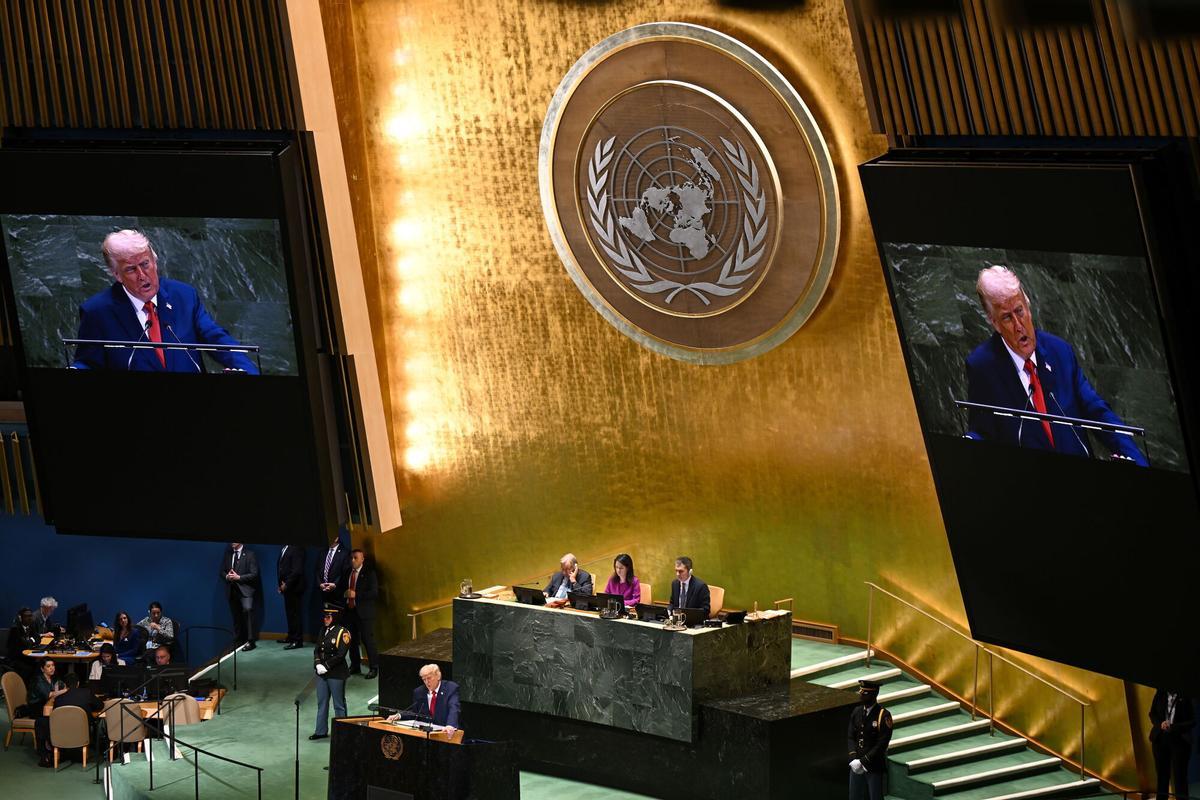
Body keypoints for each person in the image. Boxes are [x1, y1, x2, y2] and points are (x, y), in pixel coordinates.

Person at [964, 266, 1147, 465]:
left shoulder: (1060, 352)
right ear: (994, 323)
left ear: (1028, 306)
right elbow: (982, 432)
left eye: (1019, 311)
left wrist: (1137, 461)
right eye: (1007, 317)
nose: (1019, 326)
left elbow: (1098, 413)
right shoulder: (982, 367)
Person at [71, 229, 259, 373]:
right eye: (131, 269)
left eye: (145, 264)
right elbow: (87, 362)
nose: (142, 275)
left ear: (155, 261)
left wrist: (247, 370)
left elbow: (216, 339)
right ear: (117, 274)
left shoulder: (184, 296)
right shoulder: (97, 312)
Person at [310, 604, 351, 741]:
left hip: (336, 674)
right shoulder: (323, 630)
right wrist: (317, 664)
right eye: (325, 617)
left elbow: (340, 655)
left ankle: (343, 732)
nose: (325, 619)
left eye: (328, 617)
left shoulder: (343, 633)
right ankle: (320, 731)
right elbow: (317, 650)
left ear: (335, 617)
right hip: (321, 673)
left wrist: (326, 666)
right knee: (322, 703)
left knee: (339, 704)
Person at [848, 679, 892, 800]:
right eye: (861, 692)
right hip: (856, 764)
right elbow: (851, 736)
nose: (861, 695)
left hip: (873, 765)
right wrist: (853, 758)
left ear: (874, 694)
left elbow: (882, 743)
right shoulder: (857, 711)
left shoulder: (883, 715)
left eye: (865, 693)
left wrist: (864, 761)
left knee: (875, 797)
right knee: (854, 797)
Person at [387, 664, 460, 735]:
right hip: (425, 735)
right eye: (424, 679)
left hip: (445, 733)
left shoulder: (450, 688)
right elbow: (415, 712)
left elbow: (454, 708)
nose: (426, 682)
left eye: (429, 678)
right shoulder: (419, 692)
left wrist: (450, 725)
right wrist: (399, 715)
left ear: (438, 676)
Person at [1149, 688, 1194, 800]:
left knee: (1180, 777)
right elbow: (1152, 714)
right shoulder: (1160, 693)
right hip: (1160, 739)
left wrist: (1173, 727)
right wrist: (1161, 723)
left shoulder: (1186, 697)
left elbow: (1192, 721)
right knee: (1162, 777)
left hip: (1179, 740)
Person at [343, 549, 379, 679]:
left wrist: (356, 595)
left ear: (362, 559)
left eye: (356, 558)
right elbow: (343, 588)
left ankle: (374, 667)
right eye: (351, 558)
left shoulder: (369, 573)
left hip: (364, 613)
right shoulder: (347, 572)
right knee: (351, 640)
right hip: (349, 611)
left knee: (368, 640)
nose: (353, 560)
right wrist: (344, 594)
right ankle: (355, 665)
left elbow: (374, 593)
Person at [26, 658, 67, 768]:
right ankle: (46, 750)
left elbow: (59, 687)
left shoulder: (53, 678)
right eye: (48, 666)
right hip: (36, 707)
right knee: (45, 720)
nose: (52, 668)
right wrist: (64, 691)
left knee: (57, 715)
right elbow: (48, 694)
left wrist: (61, 689)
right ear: (42, 669)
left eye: (53, 665)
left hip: (46, 706)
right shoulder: (38, 680)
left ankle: (55, 748)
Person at [221, 542, 259, 651]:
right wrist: (227, 577)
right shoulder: (228, 554)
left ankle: (251, 641)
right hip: (232, 591)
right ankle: (238, 640)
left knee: (248, 611)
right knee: (236, 618)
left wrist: (239, 577)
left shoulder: (250, 554)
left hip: (245, 591)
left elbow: (254, 574)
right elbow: (222, 571)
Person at [277, 543, 306, 649]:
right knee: (290, 613)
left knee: (295, 614)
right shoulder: (284, 547)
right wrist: (280, 585)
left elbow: (297, 570)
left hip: (295, 587)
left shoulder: (297, 547)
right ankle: (291, 636)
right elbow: (281, 568)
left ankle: (297, 640)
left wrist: (287, 584)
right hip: (286, 587)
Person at [6, 607, 39, 683]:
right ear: (20, 618)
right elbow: (25, 644)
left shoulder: (31, 626)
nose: (29, 618)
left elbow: (38, 638)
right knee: (30, 668)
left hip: (27, 656)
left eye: (30, 616)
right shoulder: (15, 629)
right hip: (16, 658)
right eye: (26, 616)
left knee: (40, 664)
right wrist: (31, 641)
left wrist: (31, 640)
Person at [317, 536, 351, 607]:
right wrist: (320, 583)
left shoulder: (345, 553)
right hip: (323, 592)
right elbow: (317, 570)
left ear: (336, 538)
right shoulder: (322, 552)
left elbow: (345, 572)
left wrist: (335, 584)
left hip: (338, 593)